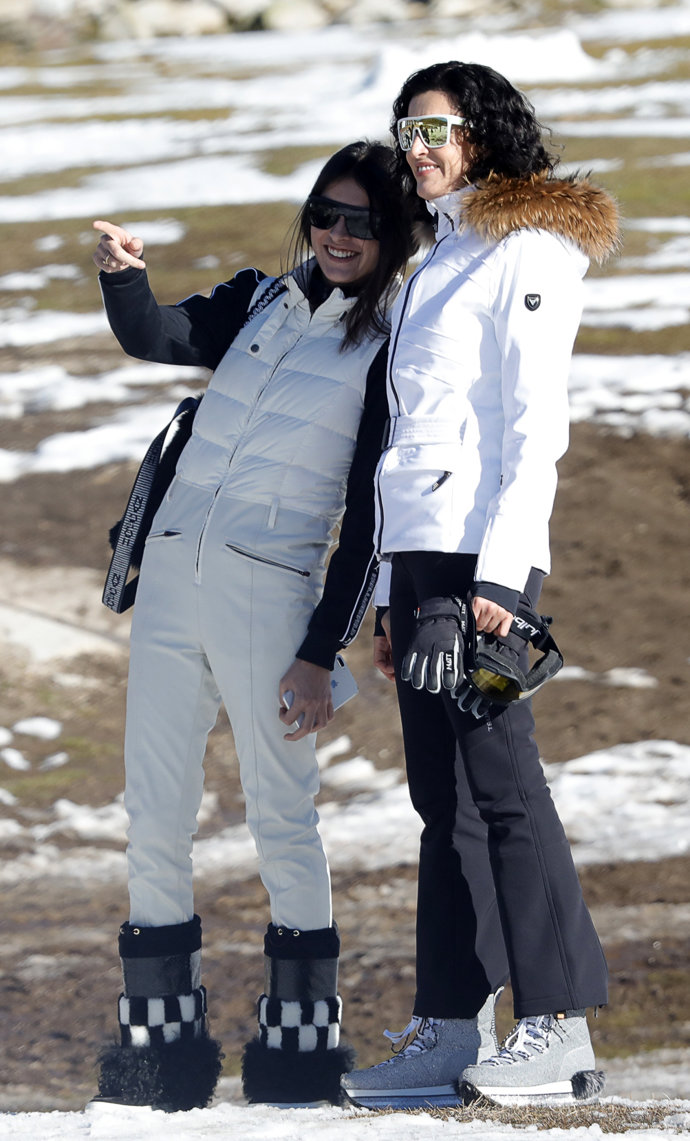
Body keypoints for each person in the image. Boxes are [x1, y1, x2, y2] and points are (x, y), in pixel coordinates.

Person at [91, 140, 415, 1111]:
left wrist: (323, 651)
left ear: (394, 234)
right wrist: (126, 278)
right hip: (174, 581)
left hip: (271, 597)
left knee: (282, 813)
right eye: (328, 212)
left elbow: (369, 516)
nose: (339, 234)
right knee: (152, 805)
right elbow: (153, 334)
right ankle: (159, 1051)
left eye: (363, 222)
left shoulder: (389, 342)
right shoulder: (259, 298)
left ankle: (301, 1046)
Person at [342, 63, 620, 1108]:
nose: (417, 147)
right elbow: (407, 445)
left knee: (504, 788)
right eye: (405, 128)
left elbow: (529, 429)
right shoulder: (437, 261)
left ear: (485, 135)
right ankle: (452, 1028)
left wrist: (503, 577)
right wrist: (385, 588)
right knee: (440, 802)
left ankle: (558, 1020)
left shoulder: (530, 250)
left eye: (436, 129)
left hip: (484, 563)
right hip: (421, 562)